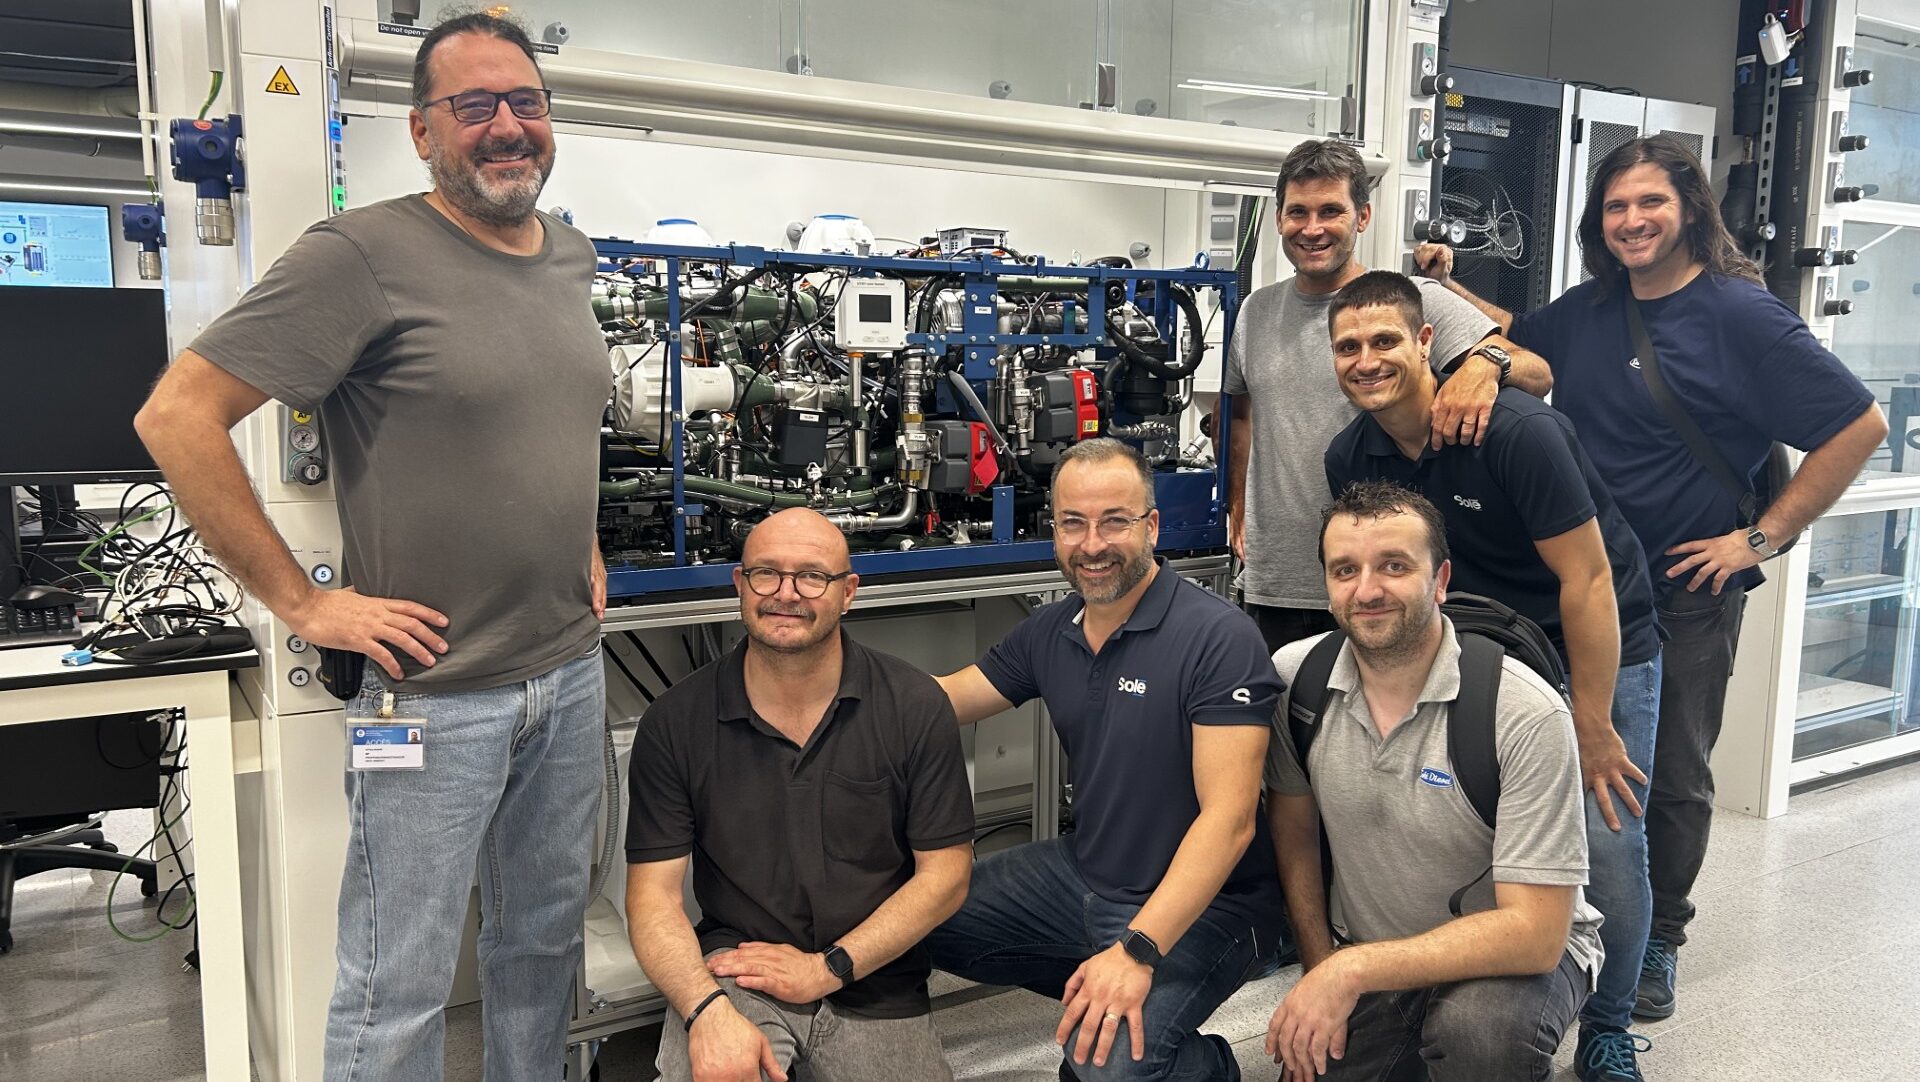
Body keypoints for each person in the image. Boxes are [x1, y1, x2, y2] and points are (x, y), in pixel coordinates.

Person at [134, 14, 614, 1080]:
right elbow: (177, 417)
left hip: (568, 676)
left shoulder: (569, 252)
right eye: (474, 106)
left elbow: (557, 413)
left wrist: (578, 538)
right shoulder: (362, 254)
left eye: (525, 103)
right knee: (396, 984)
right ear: (421, 130)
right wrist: (301, 602)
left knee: (540, 947)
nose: (507, 127)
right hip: (433, 694)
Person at [1417, 135, 1886, 1035]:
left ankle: (1660, 933)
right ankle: (1573, 921)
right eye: (1616, 207)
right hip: (1583, 581)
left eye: (1650, 204)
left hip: (1682, 587)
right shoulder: (1592, 309)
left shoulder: (1741, 317)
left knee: (1664, 775)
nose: (1631, 221)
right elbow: (1513, 340)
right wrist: (1448, 294)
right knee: (1568, 766)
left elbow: (1856, 423)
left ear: (1690, 211)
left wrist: (1761, 537)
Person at [1320, 270, 1661, 1079]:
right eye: (1348, 347)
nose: (1367, 360)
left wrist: (1593, 719)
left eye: (1385, 341)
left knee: (1607, 840)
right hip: (1483, 654)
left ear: (1427, 341)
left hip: (1590, 642)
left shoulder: (1513, 432)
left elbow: (1589, 582)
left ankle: (1609, 1024)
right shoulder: (1353, 454)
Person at [928, 438, 1284, 1082]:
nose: (1093, 544)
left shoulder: (1216, 638)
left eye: (1115, 521)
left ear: (1151, 526)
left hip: (1214, 903)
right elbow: (941, 701)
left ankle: (1207, 1067)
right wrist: (826, 688)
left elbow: (1230, 821)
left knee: (1108, 1070)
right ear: (1054, 530)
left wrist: (1138, 949)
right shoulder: (1052, 629)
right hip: (1084, 872)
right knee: (916, 916)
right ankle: (1103, 994)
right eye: (1074, 523)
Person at [1264, 480, 1602, 1082]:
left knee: (1482, 1037)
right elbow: (1294, 837)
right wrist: (1322, 969)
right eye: (1345, 570)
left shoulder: (1522, 712)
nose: (1366, 590)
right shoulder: (1296, 682)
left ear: (1441, 579)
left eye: (1394, 566)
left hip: (1511, 960)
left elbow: (1535, 934)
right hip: (1372, 950)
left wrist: (1351, 972)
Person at [624, 508, 974, 1082]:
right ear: (739, 585)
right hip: (742, 970)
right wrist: (703, 1009)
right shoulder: (675, 723)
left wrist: (827, 968)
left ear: (848, 592)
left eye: (813, 576)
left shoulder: (913, 706)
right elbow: (653, 900)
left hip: (873, 973)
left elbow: (947, 877)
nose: (786, 594)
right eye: (766, 573)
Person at [1223, 138, 1553, 656]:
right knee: (1288, 733)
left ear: (1363, 216)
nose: (1312, 228)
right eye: (1297, 213)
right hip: (1273, 586)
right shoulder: (1254, 312)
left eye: (1331, 210)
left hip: (1380, 587)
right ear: (1279, 219)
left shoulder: (1408, 299)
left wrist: (1486, 364)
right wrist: (1238, 502)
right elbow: (1241, 415)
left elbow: (1537, 372)